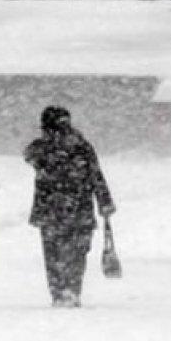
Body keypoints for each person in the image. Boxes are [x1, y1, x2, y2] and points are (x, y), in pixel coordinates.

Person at [24, 106, 115, 308]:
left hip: (50, 211)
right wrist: (104, 202)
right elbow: (96, 176)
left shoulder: (43, 148)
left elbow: (29, 155)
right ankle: (72, 290)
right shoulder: (83, 146)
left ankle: (58, 292)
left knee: (53, 253)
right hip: (79, 209)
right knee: (77, 253)